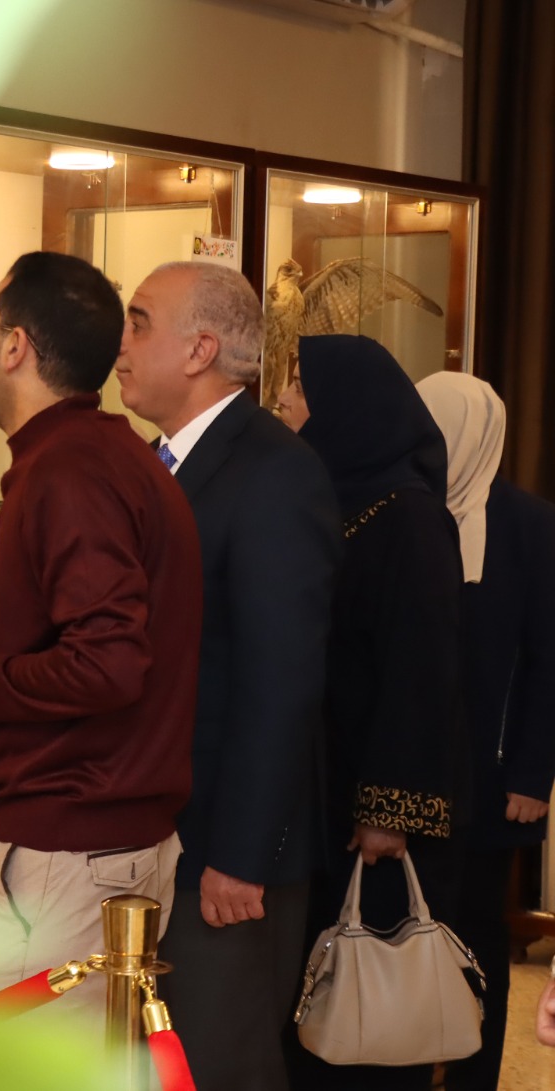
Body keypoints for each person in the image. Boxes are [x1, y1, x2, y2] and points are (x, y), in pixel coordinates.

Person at [0, 250, 203, 1010]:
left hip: (67, 849)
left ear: (16, 346)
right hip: (87, 843)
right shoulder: (95, 454)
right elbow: (65, 636)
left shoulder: (72, 469)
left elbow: (107, 664)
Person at [114, 262, 340, 1090]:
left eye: (139, 321)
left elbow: (281, 678)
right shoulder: (158, 460)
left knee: (217, 1063)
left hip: (223, 849)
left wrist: (242, 854)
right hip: (151, 831)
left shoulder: (275, 470)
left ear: (200, 348)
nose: (121, 343)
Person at [277, 334, 469, 1091]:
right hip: (328, 792)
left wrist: (388, 810)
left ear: (348, 404)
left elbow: (423, 674)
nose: (284, 400)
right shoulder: (338, 499)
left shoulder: (410, 519)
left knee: (375, 1003)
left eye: (300, 386)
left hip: (377, 814)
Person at [417, 372, 555, 1091]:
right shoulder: (407, 510)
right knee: (404, 936)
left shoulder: (532, 524)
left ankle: (472, 1079)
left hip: (494, 778)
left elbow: (549, 660)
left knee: (476, 940)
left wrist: (533, 774)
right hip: (413, 771)